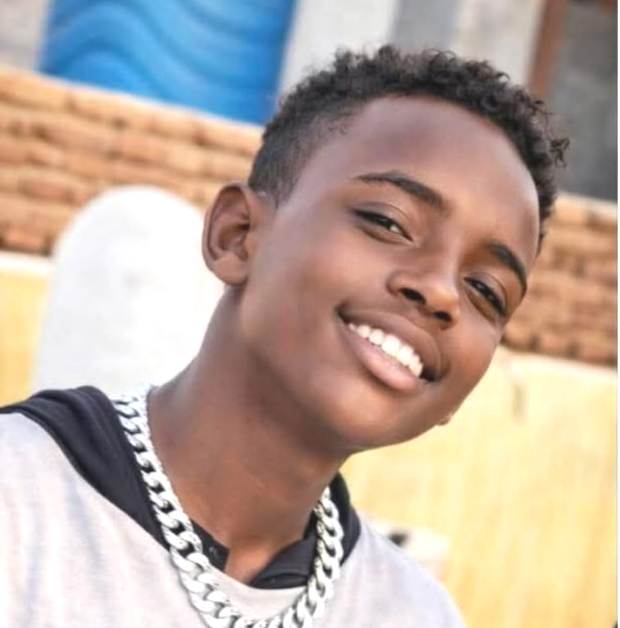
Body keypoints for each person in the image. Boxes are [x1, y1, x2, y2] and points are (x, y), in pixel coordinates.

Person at [0, 46, 567, 627]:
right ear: (237, 235)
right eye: (388, 222)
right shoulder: (21, 500)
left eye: (486, 291)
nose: (442, 293)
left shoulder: (416, 615)